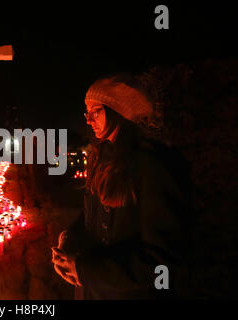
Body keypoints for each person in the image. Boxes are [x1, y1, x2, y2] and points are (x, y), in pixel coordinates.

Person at [52, 74, 189, 299]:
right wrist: (70, 236)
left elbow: (163, 266)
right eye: (87, 112)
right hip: (92, 291)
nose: (88, 119)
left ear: (118, 112)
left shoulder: (151, 166)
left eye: (95, 111)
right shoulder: (100, 159)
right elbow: (91, 216)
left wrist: (86, 270)